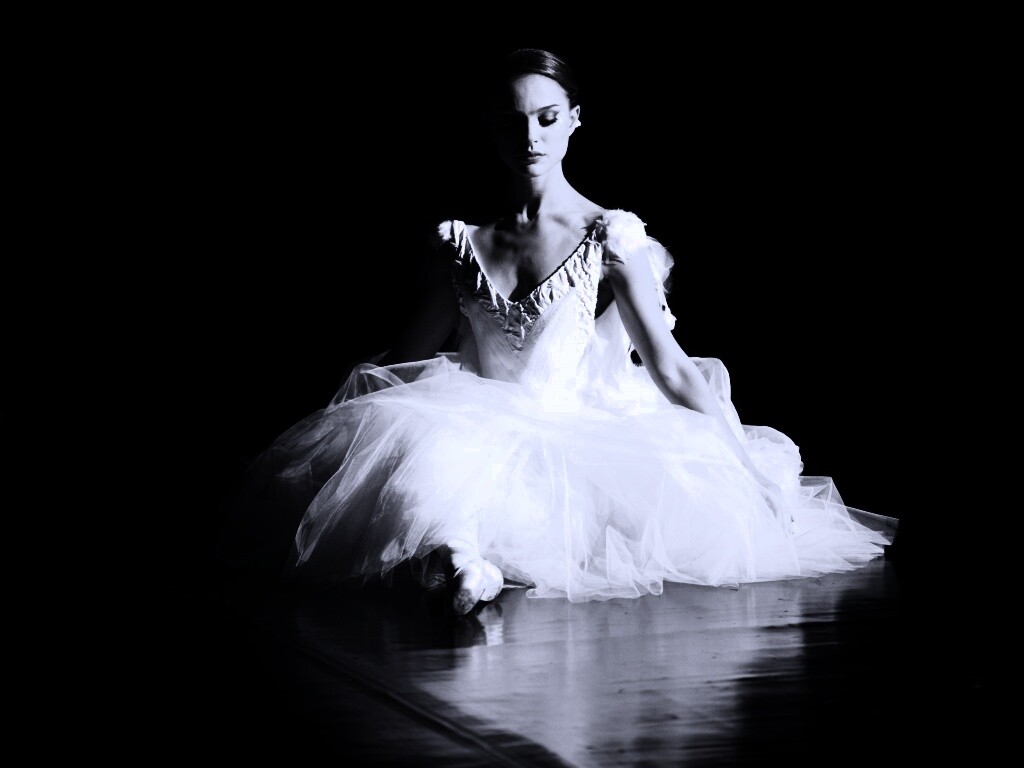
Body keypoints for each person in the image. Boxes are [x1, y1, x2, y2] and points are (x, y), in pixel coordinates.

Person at [218, 48, 898, 616]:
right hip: (478, 424)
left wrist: (744, 470)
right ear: (490, 127)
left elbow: (670, 367)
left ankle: (466, 563)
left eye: (546, 119)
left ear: (574, 120)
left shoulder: (609, 235)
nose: (531, 138)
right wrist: (326, 449)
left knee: (496, 497)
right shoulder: (462, 243)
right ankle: (464, 562)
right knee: (426, 469)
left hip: (576, 434)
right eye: (513, 123)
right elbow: (407, 359)